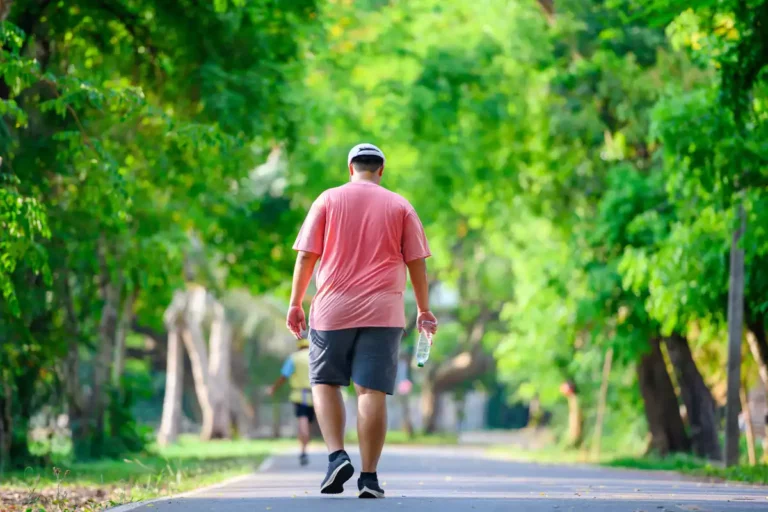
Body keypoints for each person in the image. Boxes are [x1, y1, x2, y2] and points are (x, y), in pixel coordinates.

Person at [286, 143, 438, 499]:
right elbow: (417, 262)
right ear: (381, 170)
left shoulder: (327, 199)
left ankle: (337, 455)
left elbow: (307, 256)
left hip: (332, 310)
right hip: (384, 313)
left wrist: (295, 303)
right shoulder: (400, 205)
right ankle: (369, 478)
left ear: (349, 167)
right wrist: (424, 310)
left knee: (324, 382)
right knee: (371, 392)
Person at [267, 338, 314, 466]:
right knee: (309, 422)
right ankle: (306, 444)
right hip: (315, 396)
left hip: (300, 395)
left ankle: (303, 449)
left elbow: (284, 376)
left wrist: (273, 388)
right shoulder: (316, 356)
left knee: (302, 420)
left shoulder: (294, 358)